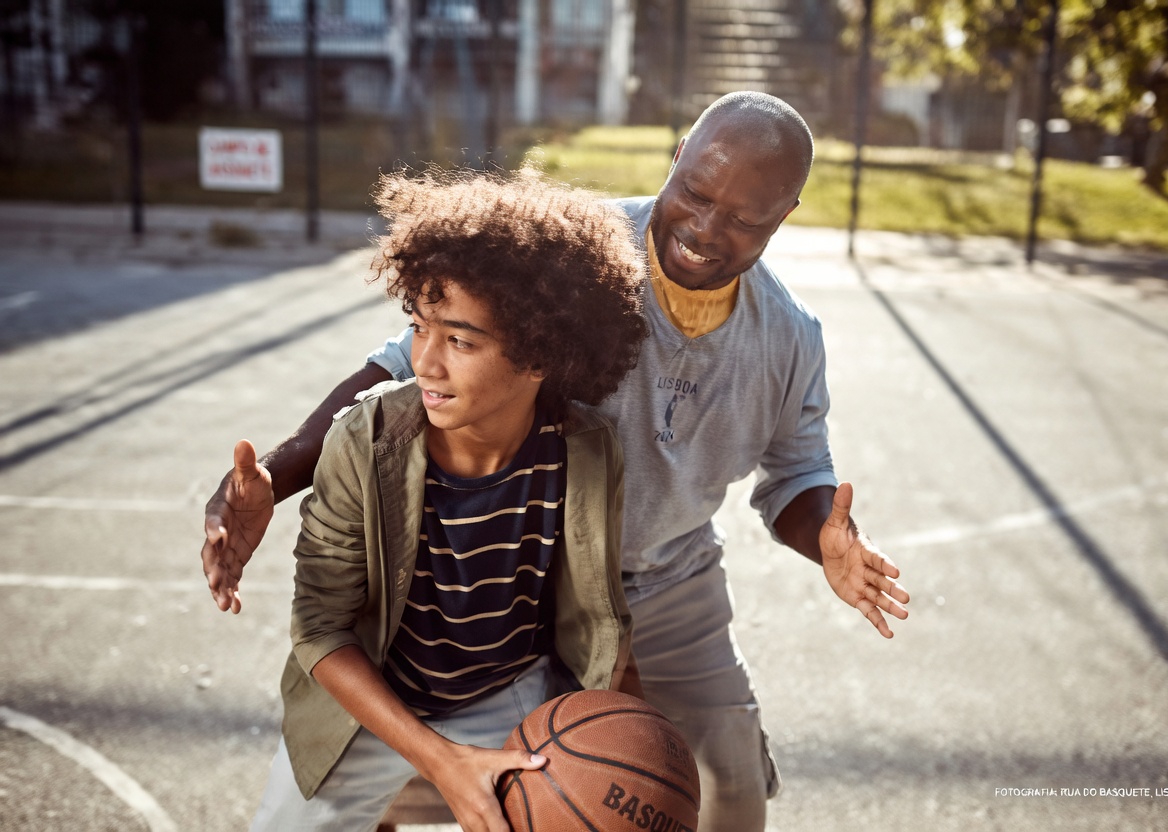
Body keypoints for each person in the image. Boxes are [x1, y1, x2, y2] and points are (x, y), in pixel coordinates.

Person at [204, 91, 910, 832]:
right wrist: (271, 482)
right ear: (676, 158)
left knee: (723, 788)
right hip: (537, 572)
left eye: (743, 219)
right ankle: (389, 788)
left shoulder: (789, 338)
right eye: (695, 194)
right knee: (524, 772)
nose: (705, 229)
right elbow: (405, 376)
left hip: (671, 574)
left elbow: (797, 474)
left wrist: (827, 538)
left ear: (784, 214)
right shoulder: (576, 254)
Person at [244, 169, 649, 832]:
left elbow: (598, 613)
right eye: (418, 327)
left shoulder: (587, 451)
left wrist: (632, 737)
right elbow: (320, 630)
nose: (425, 363)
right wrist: (440, 760)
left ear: (541, 354)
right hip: (373, 694)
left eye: (460, 340)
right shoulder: (363, 440)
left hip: (509, 690)